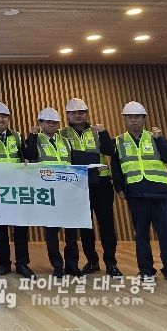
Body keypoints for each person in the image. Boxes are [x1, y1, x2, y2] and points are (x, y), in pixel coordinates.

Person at [111, 101, 167, 283]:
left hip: (160, 193)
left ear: (144, 118)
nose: (134, 120)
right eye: (130, 117)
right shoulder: (118, 141)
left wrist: (161, 140)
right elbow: (116, 167)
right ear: (124, 119)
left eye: (137, 117)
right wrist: (119, 188)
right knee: (141, 235)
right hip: (136, 193)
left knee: (166, 234)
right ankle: (146, 270)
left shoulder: (155, 137)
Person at [60, 98, 121, 277]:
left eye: (81, 112)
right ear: (68, 115)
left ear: (87, 114)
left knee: (106, 224)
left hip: (102, 183)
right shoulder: (62, 134)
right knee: (85, 226)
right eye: (73, 113)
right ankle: (92, 261)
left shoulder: (97, 131)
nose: (77, 116)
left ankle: (111, 263)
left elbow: (110, 151)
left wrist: (104, 133)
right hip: (78, 184)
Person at [0, 101, 35, 278]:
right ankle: (3, 263)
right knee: (1, 229)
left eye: (4, 116)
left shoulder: (17, 136)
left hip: (17, 189)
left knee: (21, 228)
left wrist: (27, 159)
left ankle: (22, 264)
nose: (1, 119)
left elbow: (26, 157)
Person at [25, 107, 81, 278]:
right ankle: (57, 265)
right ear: (40, 123)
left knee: (71, 232)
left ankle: (72, 265)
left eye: (55, 122)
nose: (52, 125)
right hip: (48, 193)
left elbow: (73, 165)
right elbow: (29, 155)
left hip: (67, 193)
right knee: (51, 232)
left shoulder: (65, 142)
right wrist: (32, 136)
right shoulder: (34, 140)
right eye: (48, 122)